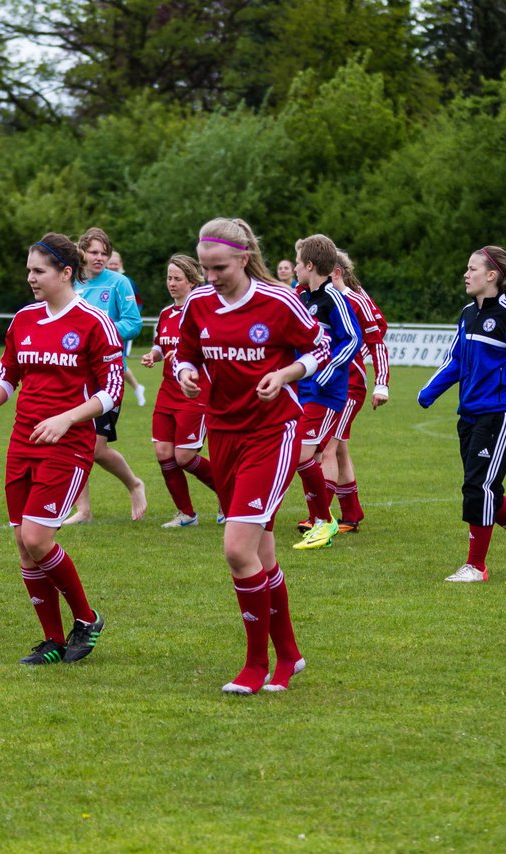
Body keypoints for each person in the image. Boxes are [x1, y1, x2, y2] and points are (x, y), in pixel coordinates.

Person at [173, 217, 330, 694]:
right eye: (204, 268)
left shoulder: (278, 301)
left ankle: (255, 665)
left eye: (219, 267)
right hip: (223, 433)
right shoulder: (199, 303)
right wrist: (185, 371)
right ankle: (290, 655)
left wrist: (285, 374)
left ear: (243, 258)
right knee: (261, 551)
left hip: (272, 433)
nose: (211, 277)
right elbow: (185, 350)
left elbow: (322, 346)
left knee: (237, 549)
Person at [0, 232, 120, 665]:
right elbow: (7, 374)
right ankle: (52, 638)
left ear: (65, 273)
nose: (30, 278)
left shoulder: (93, 321)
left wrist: (68, 417)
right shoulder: (24, 319)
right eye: (29, 270)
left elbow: (111, 392)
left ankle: (87, 619)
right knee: (22, 541)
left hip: (68, 444)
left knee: (37, 536)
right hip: (22, 442)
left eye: (39, 271)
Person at [418, 244, 506, 583]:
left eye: (473, 269)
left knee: (479, 486)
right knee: (486, 488)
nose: (466, 274)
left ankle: (476, 567)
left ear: (492, 275)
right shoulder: (468, 314)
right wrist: (429, 391)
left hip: (501, 414)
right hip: (468, 415)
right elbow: (455, 360)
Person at [63, 227, 147, 523]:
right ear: (82, 252)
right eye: (94, 252)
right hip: (74, 374)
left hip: (107, 375)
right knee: (75, 440)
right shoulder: (71, 282)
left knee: (97, 448)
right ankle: (83, 510)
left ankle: (134, 484)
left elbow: (133, 324)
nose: (99, 258)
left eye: (104, 253)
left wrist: (100, 335)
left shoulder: (119, 283)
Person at [290, 234, 362, 550]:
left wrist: (329, 370)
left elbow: (352, 339)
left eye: (296, 263)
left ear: (309, 265)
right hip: (303, 390)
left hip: (327, 392)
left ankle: (323, 520)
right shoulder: (304, 299)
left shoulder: (335, 299)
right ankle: (322, 519)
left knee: (304, 455)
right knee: (307, 455)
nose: (293, 268)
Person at [308, 249, 388, 535]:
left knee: (326, 447)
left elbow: (378, 331)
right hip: (329, 384)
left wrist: (381, 382)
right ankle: (351, 513)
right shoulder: (313, 296)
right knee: (338, 446)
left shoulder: (352, 299)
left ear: (335, 271)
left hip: (348, 384)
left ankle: (320, 517)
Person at [142, 254, 219, 527]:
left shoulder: (203, 312)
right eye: (169, 278)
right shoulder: (165, 314)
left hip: (195, 391)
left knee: (184, 456)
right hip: (167, 392)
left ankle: (229, 496)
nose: (171, 283)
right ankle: (187, 514)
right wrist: (154, 355)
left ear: (191, 281)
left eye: (177, 279)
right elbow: (161, 344)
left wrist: (187, 356)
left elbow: (214, 350)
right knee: (163, 452)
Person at [107, 250, 147, 407]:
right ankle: (137, 388)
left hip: (118, 331)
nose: (113, 265)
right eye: (111, 262)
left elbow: (137, 305)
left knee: (118, 363)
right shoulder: (91, 281)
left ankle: (116, 396)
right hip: (104, 331)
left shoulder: (125, 282)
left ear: (121, 265)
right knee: (119, 365)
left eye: (116, 263)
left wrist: (129, 319)